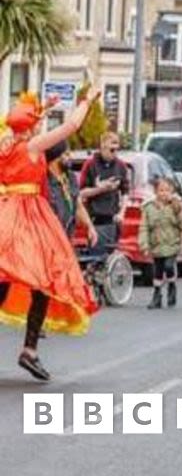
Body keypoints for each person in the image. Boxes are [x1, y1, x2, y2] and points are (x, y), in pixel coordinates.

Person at [0, 87, 101, 381]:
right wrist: (87, 101)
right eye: (36, 123)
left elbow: (28, 123)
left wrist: (44, 107)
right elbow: (71, 126)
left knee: (7, 278)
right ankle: (29, 350)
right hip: (28, 216)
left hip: (7, 212)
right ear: (31, 127)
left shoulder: (6, 146)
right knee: (43, 281)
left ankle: (30, 351)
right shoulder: (32, 147)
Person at [139, 177, 182, 309]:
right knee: (157, 270)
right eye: (161, 190)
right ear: (156, 192)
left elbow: (181, 222)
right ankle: (157, 295)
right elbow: (144, 227)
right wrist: (144, 244)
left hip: (172, 243)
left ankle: (172, 285)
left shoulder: (175, 206)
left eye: (167, 190)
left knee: (168, 266)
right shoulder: (148, 208)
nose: (164, 193)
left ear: (171, 191)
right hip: (156, 244)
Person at [79, 131, 129, 250]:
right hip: (95, 218)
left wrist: (122, 212)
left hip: (112, 219)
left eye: (117, 149)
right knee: (96, 256)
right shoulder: (90, 164)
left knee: (110, 255)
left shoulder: (121, 165)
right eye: (112, 150)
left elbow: (126, 192)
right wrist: (100, 189)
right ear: (103, 147)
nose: (115, 153)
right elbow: (80, 193)